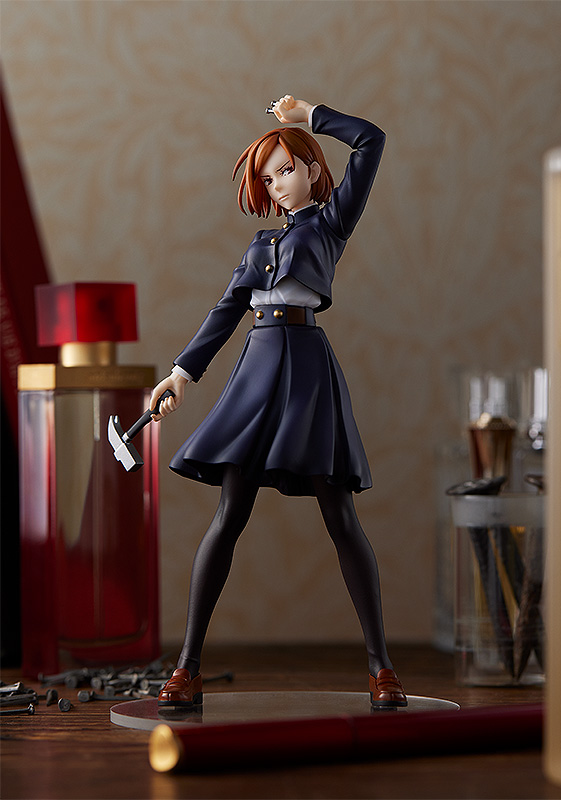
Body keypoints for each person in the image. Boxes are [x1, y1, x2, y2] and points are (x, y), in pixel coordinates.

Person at [150, 95, 407, 710]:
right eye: (268, 179)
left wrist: (308, 115)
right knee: (229, 513)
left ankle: (381, 666)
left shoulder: (331, 222)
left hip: (308, 368)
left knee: (339, 515)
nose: (279, 185)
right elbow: (226, 310)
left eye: (287, 170)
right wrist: (182, 373)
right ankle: (187, 667)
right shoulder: (260, 245)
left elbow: (371, 139)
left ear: (313, 169)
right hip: (258, 370)